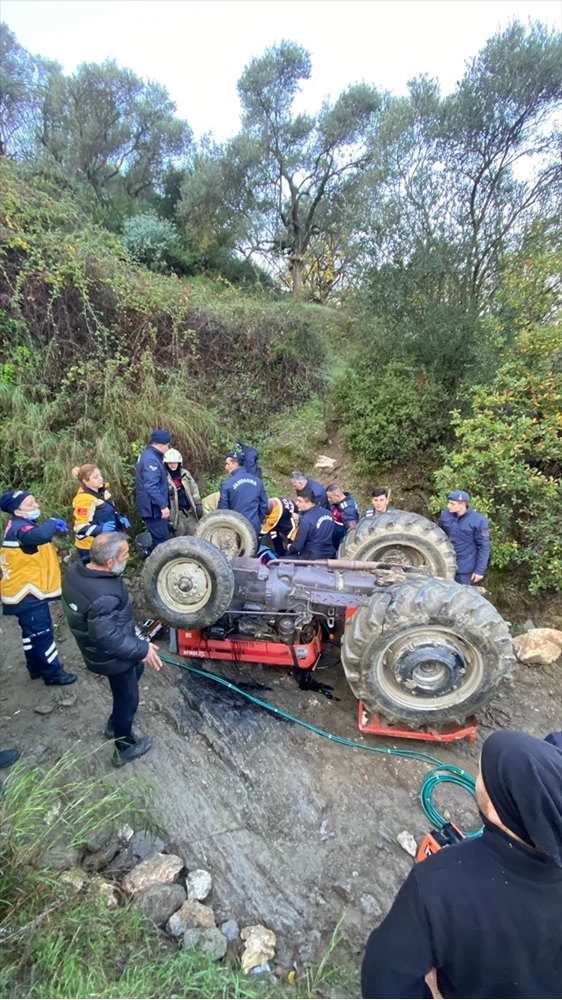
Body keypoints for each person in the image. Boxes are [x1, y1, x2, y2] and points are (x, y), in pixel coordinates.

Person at [361, 729, 562, 1000]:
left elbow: (384, 984)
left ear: (494, 813)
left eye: (482, 775)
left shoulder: (439, 881)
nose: (477, 777)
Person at [61, 532, 162, 767]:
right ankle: (123, 747)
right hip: (111, 657)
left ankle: (113, 724)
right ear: (109, 562)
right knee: (127, 700)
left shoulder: (78, 570)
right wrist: (142, 650)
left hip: (98, 645)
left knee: (134, 675)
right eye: (125, 555)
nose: (128, 558)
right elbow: (109, 639)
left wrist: (136, 637)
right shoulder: (104, 595)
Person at [0, 490, 77, 686]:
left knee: (30, 633)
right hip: (27, 593)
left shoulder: (19, 525)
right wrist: (51, 522)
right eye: (29, 505)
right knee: (42, 634)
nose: (35, 506)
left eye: (34, 502)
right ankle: (53, 673)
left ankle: (34, 667)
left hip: (20, 591)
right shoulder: (20, 529)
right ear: (17, 511)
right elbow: (40, 536)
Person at [72, 464, 131, 562]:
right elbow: (79, 527)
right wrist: (100, 529)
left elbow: (108, 510)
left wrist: (119, 517)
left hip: (106, 541)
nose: (100, 479)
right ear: (85, 481)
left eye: (100, 475)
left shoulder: (103, 492)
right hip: (91, 546)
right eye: (95, 477)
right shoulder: (84, 500)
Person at [438, 490, 490, 585]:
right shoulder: (445, 515)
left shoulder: (478, 521)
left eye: (452, 504)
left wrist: (479, 571)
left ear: (462, 505)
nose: (448, 506)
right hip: (444, 564)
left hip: (463, 569)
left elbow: (484, 547)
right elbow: (438, 535)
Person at [135, 430, 172, 552]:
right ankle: (154, 566)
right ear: (161, 445)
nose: (168, 448)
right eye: (167, 445)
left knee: (161, 538)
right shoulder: (151, 459)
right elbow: (151, 486)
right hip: (153, 510)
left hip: (153, 508)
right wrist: (162, 506)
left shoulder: (149, 455)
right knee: (161, 542)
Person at [218, 451, 269, 538]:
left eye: (227, 464)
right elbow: (264, 504)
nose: (226, 467)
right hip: (254, 525)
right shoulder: (257, 481)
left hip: (236, 526)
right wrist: (258, 520)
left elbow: (223, 508)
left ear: (235, 464)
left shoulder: (227, 484)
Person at [287, 487, 336, 559]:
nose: (296, 503)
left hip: (311, 557)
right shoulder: (328, 513)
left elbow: (298, 546)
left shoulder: (306, 521)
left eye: (300, 501)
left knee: (278, 563)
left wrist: (290, 547)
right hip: (329, 553)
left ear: (309, 503)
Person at [163, 449, 203, 536]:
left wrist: (198, 503)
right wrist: (166, 520)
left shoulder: (185, 474)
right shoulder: (164, 478)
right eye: (170, 463)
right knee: (179, 537)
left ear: (179, 463)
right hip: (176, 515)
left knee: (195, 533)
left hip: (190, 511)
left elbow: (194, 489)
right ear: (166, 464)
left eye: (175, 462)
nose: (173, 465)